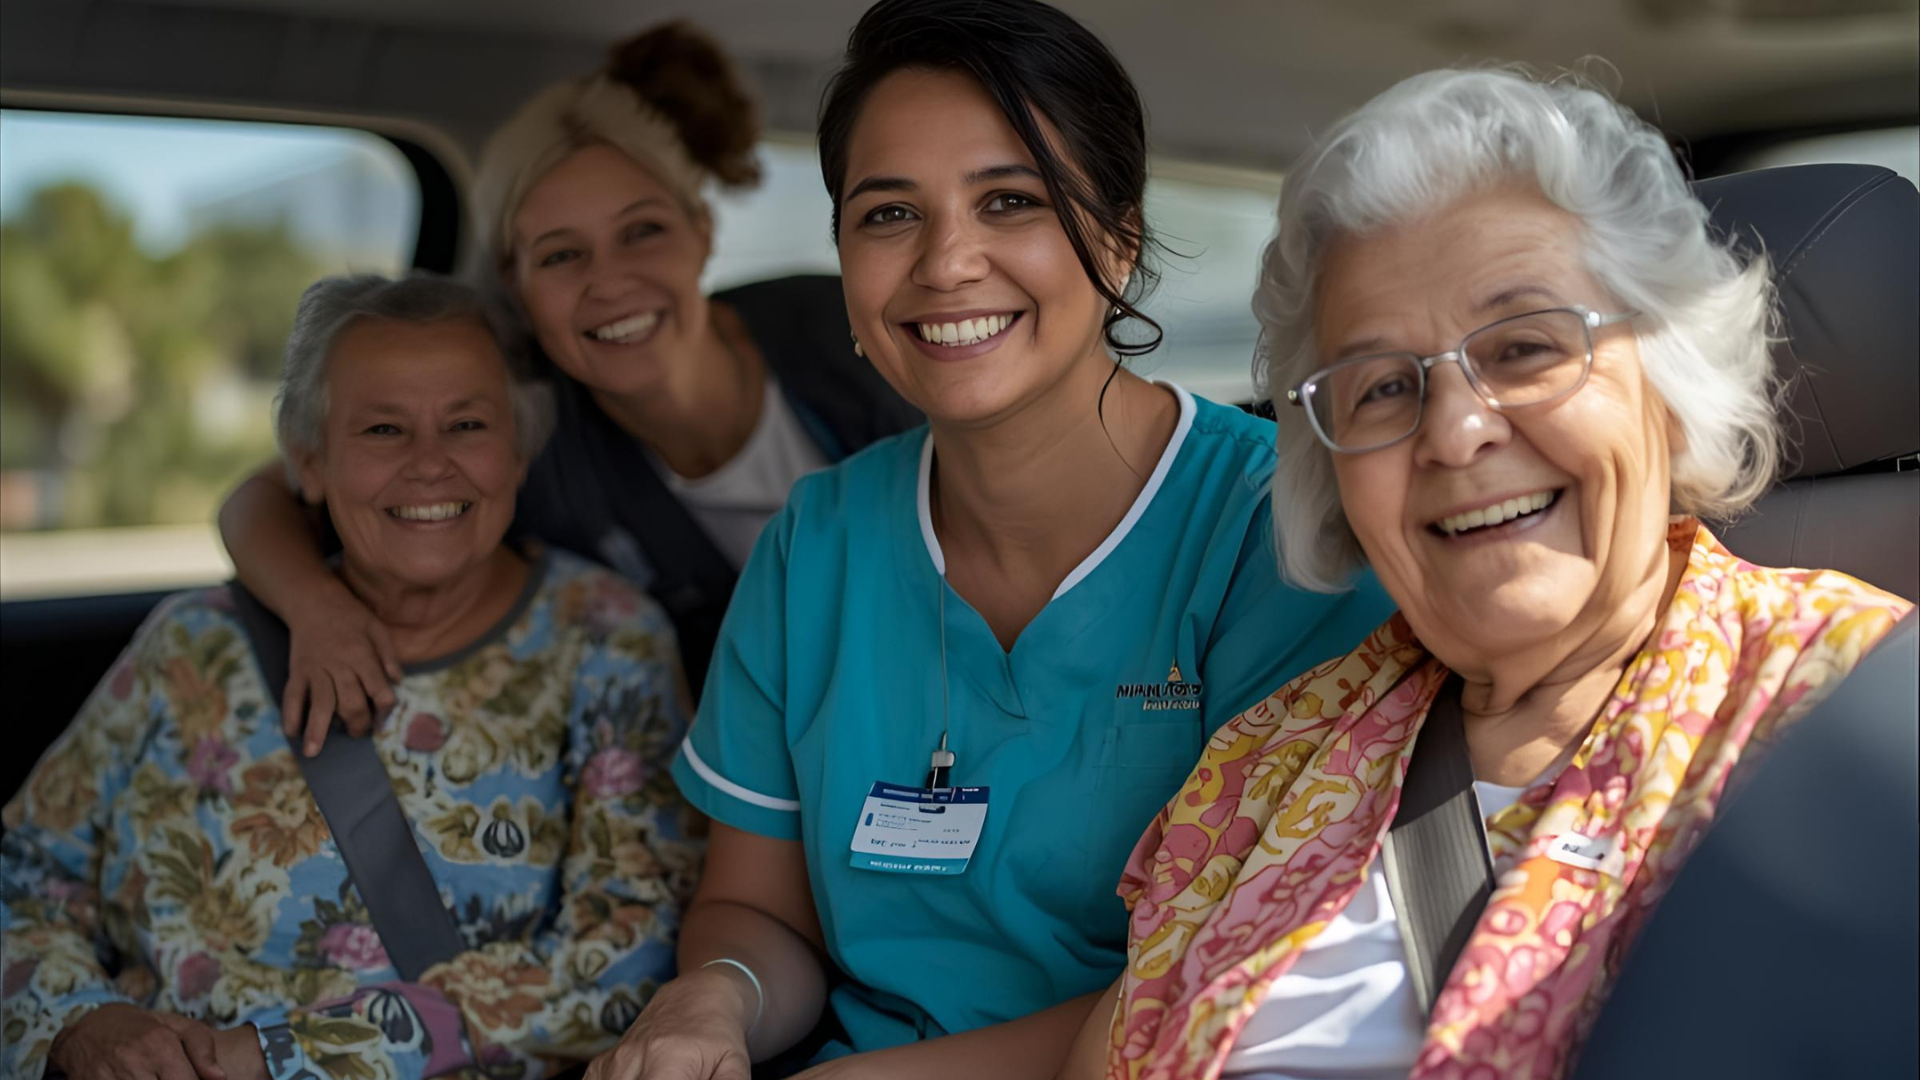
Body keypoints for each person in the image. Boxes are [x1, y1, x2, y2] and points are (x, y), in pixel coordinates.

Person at [1051, 68, 1916, 1080]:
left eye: (1524, 348)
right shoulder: (1263, 765)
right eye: (1381, 387)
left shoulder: (1864, 715)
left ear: (1670, 383)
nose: (1456, 432)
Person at [584, 2, 1394, 1078]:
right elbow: (754, 914)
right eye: (888, 216)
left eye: (1010, 201)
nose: (946, 263)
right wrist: (712, 1005)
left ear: (1119, 235)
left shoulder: (1276, 535)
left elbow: (1227, 981)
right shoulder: (814, 544)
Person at [2, 275, 701, 1080]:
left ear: (519, 449)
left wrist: (271, 1059)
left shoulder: (606, 641)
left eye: (467, 424)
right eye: (382, 429)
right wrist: (77, 1024)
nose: (429, 464)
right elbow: (27, 873)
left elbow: (621, 963)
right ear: (308, 463)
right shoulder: (197, 640)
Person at [217, 21, 920, 752]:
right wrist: (318, 610)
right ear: (513, 286)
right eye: (560, 256)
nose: (609, 281)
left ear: (702, 229)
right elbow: (263, 497)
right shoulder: (529, 440)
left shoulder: (844, 328)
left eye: (642, 231)